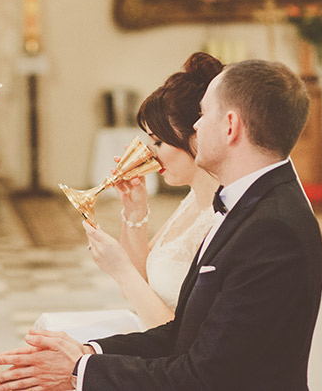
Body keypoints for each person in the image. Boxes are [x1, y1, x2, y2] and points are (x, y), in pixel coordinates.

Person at [0, 59, 322, 390]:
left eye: (203, 115)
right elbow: (185, 334)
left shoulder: (272, 230)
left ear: (230, 126)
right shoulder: (244, 204)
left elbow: (204, 377)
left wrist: (79, 371)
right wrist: (88, 352)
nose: (195, 127)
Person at [82, 52, 222, 328]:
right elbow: (139, 285)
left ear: (196, 135)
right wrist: (135, 211)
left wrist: (120, 270)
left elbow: (186, 335)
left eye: (158, 142)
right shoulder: (193, 200)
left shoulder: (221, 218)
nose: (150, 153)